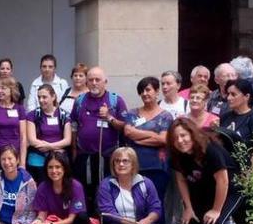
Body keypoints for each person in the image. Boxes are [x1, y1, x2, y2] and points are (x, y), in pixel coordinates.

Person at [168, 117, 244, 224]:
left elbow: (222, 180)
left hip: (229, 187)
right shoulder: (177, 154)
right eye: (175, 138)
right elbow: (181, 180)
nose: (180, 141)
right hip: (203, 186)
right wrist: (188, 208)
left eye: (183, 135)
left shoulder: (210, 149)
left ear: (192, 134)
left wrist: (216, 210)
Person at [69, 66, 129, 216]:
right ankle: (89, 223)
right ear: (86, 83)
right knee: (85, 190)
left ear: (105, 82)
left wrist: (109, 117)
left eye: (98, 80)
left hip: (108, 156)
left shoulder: (116, 100)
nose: (94, 83)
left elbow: (125, 126)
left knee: (106, 190)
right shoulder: (80, 101)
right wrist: (74, 150)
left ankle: (107, 221)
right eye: (91, 80)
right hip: (85, 156)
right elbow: (74, 124)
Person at [97, 148, 162, 224]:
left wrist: (148, 220)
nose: (121, 164)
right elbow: (107, 211)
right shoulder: (107, 184)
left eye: (125, 161)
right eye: (117, 161)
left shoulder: (146, 183)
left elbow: (156, 207)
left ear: (133, 164)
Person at [30, 151, 91, 224]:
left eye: (58, 167)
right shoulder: (43, 187)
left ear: (64, 168)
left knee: (82, 217)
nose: (54, 171)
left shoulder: (76, 186)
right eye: (50, 167)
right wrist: (38, 222)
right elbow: (42, 214)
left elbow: (72, 219)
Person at [123, 77, 173, 202]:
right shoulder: (132, 113)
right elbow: (128, 132)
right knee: (136, 202)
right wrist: (153, 135)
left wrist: (138, 138)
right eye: (141, 91)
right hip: (135, 166)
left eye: (148, 90)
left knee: (156, 202)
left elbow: (163, 140)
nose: (144, 94)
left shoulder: (166, 116)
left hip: (157, 167)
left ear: (157, 91)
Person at [26, 84, 71, 184]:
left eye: (44, 97)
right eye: (39, 97)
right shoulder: (33, 115)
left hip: (58, 159)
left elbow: (67, 140)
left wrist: (49, 146)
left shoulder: (64, 115)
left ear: (53, 97)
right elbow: (32, 140)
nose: (41, 100)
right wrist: (56, 147)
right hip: (38, 159)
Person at [0, 77, 27, 177]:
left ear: (11, 90)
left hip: (14, 156)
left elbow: (23, 138)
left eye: (3, 88)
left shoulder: (19, 109)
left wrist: (23, 163)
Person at [221, 79, 253, 167]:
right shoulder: (225, 117)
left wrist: (249, 172)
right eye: (228, 94)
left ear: (246, 96)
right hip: (226, 167)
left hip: (244, 170)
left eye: (233, 94)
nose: (229, 98)